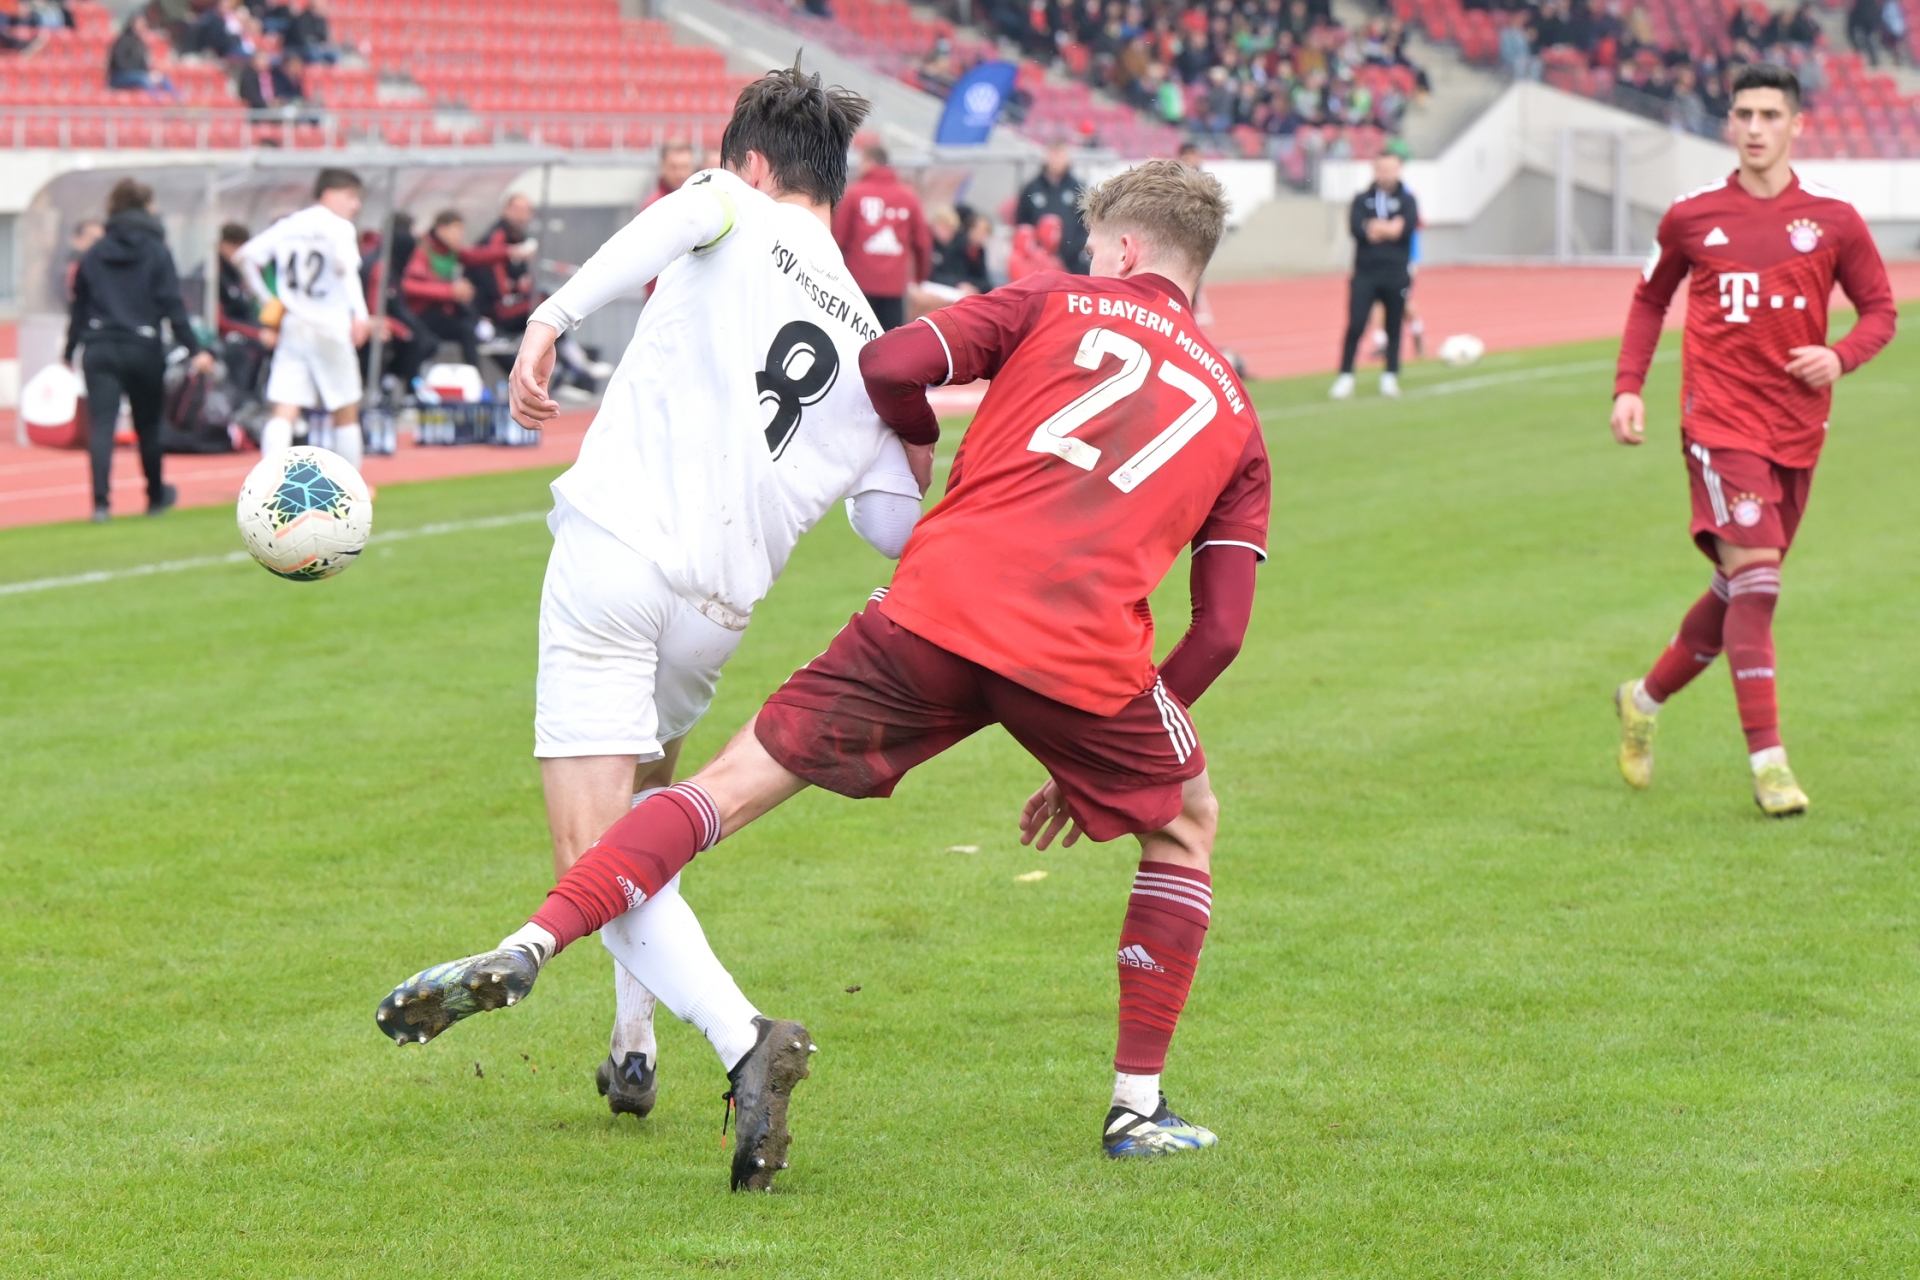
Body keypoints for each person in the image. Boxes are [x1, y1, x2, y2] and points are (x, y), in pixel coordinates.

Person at [375, 160, 1267, 1175]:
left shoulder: (1051, 299)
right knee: (1185, 821)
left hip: (933, 606)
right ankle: (1136, 1107)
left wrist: (925, 438)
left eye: (1096, 246)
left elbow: (892, 363)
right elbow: (1221, 629)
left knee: (722, 786)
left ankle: (536, 939)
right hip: (1083, 656)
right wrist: (1105, 757)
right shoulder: (1238, 413)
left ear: (1124, 247)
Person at [377, 62, 927, 1191]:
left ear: (754, 164)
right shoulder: (873, 339)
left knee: (593, 854)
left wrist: (548, 320)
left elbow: (673, 219)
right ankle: (632, 1043)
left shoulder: (728, 202)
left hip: (618, 553)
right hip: (716, 610)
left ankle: (740, 1036)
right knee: (645, 816)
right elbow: (888, 527)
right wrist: (914, 433)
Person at [1611, 63, 1895, 817]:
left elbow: (1880, 311)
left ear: (1797, 125)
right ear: (1729, 124)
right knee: (1759, 587)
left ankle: (1642, 699)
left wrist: (1839, 356)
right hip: (1718, 422)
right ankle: (1770, 766)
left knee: (1736, 588)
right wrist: (1628, 387)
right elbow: (1649, 301)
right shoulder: (1691, 215)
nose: (1755, 128)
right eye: (1744, 114)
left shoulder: (1834, 219)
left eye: (1770, 115)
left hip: (1797, 429)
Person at [64, 178, 215, 523]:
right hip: (143, 345)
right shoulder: (156, 251)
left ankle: (101, 504)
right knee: (148, 425)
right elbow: (172, 304)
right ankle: (155, 495)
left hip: (100, 344)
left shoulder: (95, 253)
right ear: (147, 208)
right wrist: (194, 348)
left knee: (102, 425)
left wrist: (68, 350)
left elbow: (79, 307)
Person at [236, 168, 372, 470]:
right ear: (329, 194)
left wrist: (269, 300)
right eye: (351, 196)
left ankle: (270, 481)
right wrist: (360, 315)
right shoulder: (340, 228)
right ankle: (351, 483)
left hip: (294, 324)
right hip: (330, 324)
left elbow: (245, 257)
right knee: (345, 409)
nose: (356, 205)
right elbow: (346, 272)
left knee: (284, 408)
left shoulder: (290, 225)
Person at [1330, 141, 1418, 400]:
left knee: (1394, 325)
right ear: (1375, 170)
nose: (1386, 174)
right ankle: (1346, 375)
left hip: (1396, 272)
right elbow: (1358, 229)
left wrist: (1379, 228)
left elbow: (1404, 229)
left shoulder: (1407, 200)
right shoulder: (1362, 199)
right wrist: (1386, 228)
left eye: (1391, 169)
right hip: (1365, 273)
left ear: (1399, 170)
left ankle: (1390, 375)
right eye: (1382, 169)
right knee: (1356, 324)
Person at [832, 143, 931, 331]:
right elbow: (922, 243)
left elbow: (838, 240)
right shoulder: (909, 197)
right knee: (890, 340)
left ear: (870, 162)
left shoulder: (854, 194)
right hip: (894, 286)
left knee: (852, 338)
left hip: (857, 284)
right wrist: (920, 278)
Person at [400, 210, 484, 368]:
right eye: (456, 230)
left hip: (440, 308)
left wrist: (509, 251)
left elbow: (479, 256)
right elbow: (408, 284)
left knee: (471, 319)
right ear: (441, 229)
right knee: (464, 331)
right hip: (419, 312)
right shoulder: (421, 250)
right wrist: (450, 291)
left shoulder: (451, 251)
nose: (460, 236)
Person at [463, 193, 540, 336]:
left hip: (508, 299)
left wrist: (521, 283)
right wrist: (512, 252)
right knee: (544, 304)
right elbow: (487, 260)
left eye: (526, 211)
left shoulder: (520, 237)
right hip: (492, 306)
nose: (522, 216)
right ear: (505, 210)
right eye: (517, 210)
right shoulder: (499, 235)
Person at [216, 222, 274, 396]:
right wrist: (257, 334)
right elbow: (219, 320)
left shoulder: (240, 273)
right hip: (229, 338)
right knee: (243, 353)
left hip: (248, 329)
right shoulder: (215, 275)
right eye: (236, 247)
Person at [1016, 142, 1089, 272]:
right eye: (1053, 155)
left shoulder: (1078, 188)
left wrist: (1074, 248)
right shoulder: (1031, 188)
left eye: (1060, 155)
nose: (1056, 161)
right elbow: (1022, 222)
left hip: (1072, 264)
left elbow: (1086, 223)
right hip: (1038, 264)